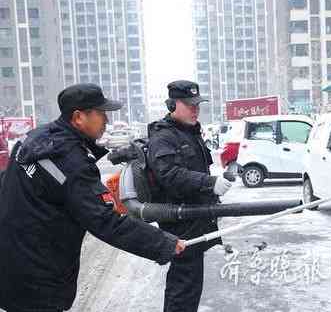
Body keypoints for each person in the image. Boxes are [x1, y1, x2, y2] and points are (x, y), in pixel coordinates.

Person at [0, 83, 186, 312]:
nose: (106, 120)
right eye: (101, 113)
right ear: (78, 117)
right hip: (40, 276)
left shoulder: (34, 139)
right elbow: (104, 220)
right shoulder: (71, 161)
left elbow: (13, 181)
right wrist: (162, 243)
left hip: (12, 262)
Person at [147, 80, 233, 312]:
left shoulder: (189, 132)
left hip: (195, 219)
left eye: (197, 104)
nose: (195, 109)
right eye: (189, 105)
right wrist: (210, 183)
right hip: (181, 223)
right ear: (172, 105)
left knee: (189, 286)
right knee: (183, 287)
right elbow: (170, 175)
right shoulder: (163, 137)